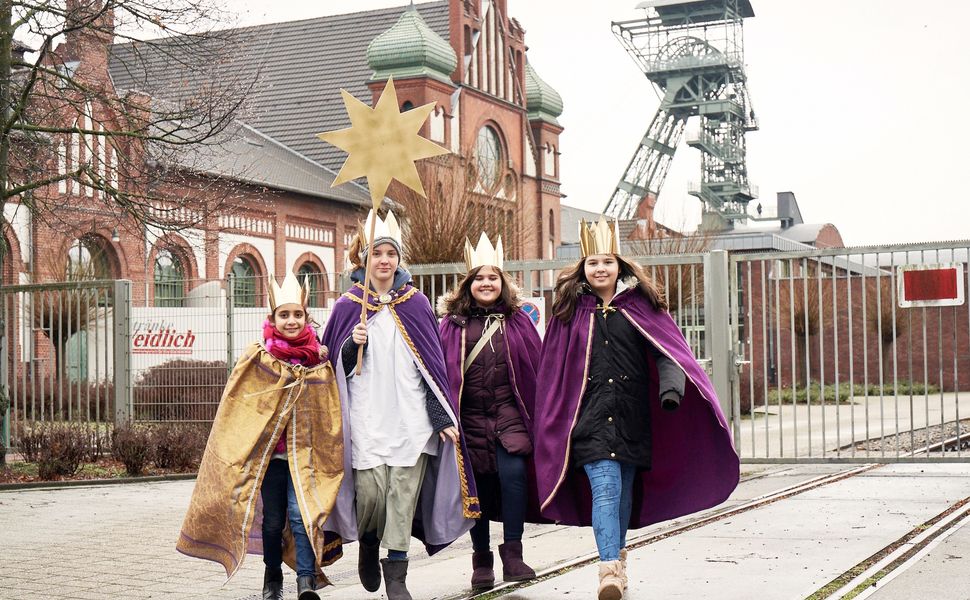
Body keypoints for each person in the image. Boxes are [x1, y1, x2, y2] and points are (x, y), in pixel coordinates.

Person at [534, 218, 740, 600]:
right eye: (593, 263)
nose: (600, 269)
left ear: (619, 266)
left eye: (607, 262)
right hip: (589, 421)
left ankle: (619, 561)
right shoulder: (569, 312)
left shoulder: (641, 306)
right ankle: (608, 571)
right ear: (583, 268)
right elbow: (553, 369)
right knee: (606, 492)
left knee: (624, 496)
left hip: (632, 418)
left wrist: (672, 392)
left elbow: (669, 353)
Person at [320, 210, 480, 600]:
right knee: (371, 495)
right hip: (366, 418)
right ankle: (370, 542)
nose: (384, 261)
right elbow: (328, 369)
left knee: (402, 495)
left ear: (399, 260)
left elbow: (432, 365)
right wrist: (349, 346)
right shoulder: (347, 307)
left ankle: (397, 574)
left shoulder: (416, 303)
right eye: (377, 253)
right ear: (364, 260)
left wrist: (440, 414)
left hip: (411, 419)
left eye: (391, 253)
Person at [178, 271, 344, 600]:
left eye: (298, 314)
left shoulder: (319, 364)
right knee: (272, 522)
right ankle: (272, 579)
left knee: (303, 517)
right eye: (284, 315)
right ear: (273, 318)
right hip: (271, 460)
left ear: (306, 317)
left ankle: (306, 582)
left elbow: (330, 415)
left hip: (307, 460)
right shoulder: (258, 358)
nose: (292, 320)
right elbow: (240, 407)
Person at [438, 233, 542, 591]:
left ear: (502, 283)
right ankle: (481, 559)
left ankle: (513, 552)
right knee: (477, 486)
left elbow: (536, 368)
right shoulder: (451, 325)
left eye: (492, 277)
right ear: (469, 284)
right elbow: (439, 372)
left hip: (508, 414)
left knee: (514, 476)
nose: (486, 283)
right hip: (468, 420)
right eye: (479, 278)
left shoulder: (518, 321)